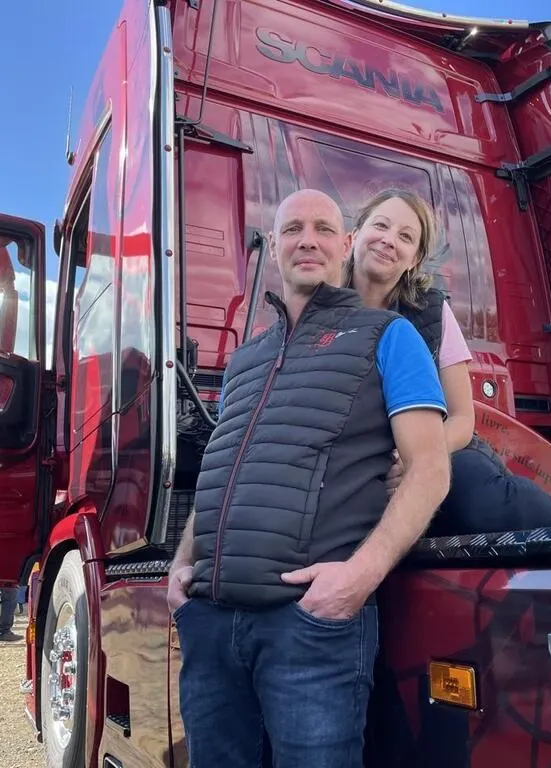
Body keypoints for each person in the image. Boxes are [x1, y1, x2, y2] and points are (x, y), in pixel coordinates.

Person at [167, 188, 451, 767]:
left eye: (323, 229)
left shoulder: (388, 335)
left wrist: (358, 578)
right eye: (293, 229)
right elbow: (226, 464)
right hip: (212, 622)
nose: (308, 241)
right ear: (274, 246)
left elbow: (430, 470)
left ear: (345, 245)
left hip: (309, 625)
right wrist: (182, 560)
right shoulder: (246, 360)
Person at [342, 188, 551, 534]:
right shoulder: (323, 311)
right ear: (354, 234)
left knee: (477, 505)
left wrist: (417, 459)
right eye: (381, 226)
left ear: (414, 260)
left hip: (438, 446)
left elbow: (462, 418)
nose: (389, 240)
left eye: (405, 237)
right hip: (365, 458)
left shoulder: (432, 312)